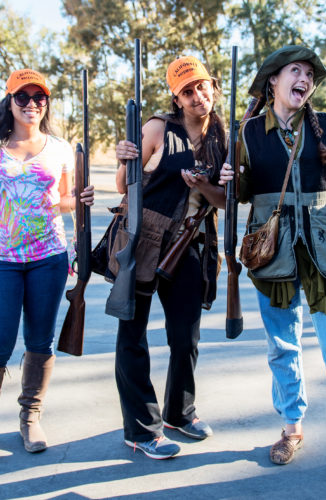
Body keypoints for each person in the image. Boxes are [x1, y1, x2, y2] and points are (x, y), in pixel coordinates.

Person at [219, 46, 326, 489]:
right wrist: (228, 180)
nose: (305, 79)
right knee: (283, 347)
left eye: (310, 74)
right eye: (296, 71)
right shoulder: (250, 131)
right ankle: (291, 427)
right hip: (273, 251)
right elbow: (243, 190)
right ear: (273, 81)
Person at [0, 69, 94, 461]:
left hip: (49, 258)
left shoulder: (59, 149)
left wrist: (81, 198)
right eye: (22, 98)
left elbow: (62, 200)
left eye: (38, 98)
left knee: (39, 342)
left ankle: (30, 417)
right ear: (9, 102)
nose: (31, 105)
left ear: (46, 103)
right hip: (0, 259)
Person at [112, 56, 226, 459]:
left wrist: (205, 186)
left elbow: (226, 200)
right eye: (188, 91)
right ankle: (142, 430)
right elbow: (125, 184)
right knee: (133, 335)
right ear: (176, 99)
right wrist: (126, 158)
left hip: (191, 244)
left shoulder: (223, 138)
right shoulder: (158, 128)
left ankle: (180, 411)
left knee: (186, 335)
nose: (198, 96)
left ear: (213, 86)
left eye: (202, 87)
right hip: (145, 239)